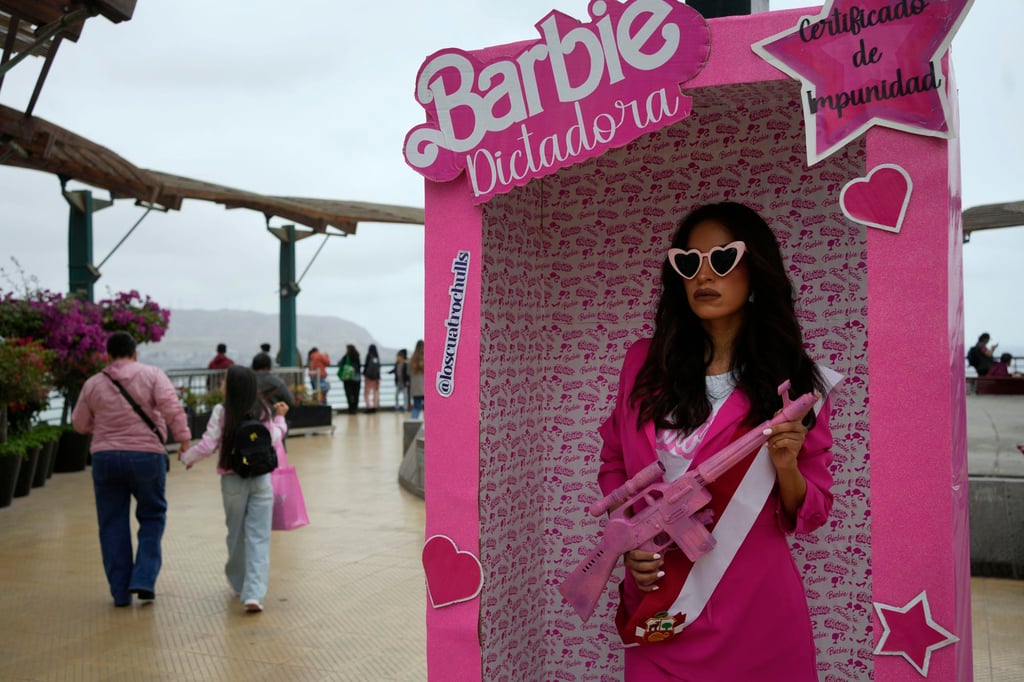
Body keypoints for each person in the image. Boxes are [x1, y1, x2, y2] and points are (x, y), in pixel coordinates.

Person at [596, 202, 841, 679]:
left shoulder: (791, 382)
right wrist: (629, 541)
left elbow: (811, 512)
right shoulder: (642, 364)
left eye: (722, 259)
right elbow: (614, 464)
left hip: (755, 613)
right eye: (689, 262)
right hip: (661, 605)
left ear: (755, 271)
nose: (704, 275)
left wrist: (787, 465)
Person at [71, 331, 192, 608]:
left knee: (112, 524)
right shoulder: (153, 375)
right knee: (152, 515)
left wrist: (102, 427)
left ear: (108, 356)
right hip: (147, 457)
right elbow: (171, 407)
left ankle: (120, 593)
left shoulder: (93, 383)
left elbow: (79, 424)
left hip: (105, 458)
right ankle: (144, 579)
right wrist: (184, 439)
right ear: (135, 354)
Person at [179, 365, 289, 614]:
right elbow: (274, 437)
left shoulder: (222, 411)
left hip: (232, 481)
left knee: (235, 534)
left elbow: (208, 445)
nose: (221, 384)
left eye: (224, 381)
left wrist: (187, 458)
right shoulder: (263, 410)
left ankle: (239, 583)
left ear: (231, 386)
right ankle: (254, 594)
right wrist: (281, 419)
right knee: (260, 537)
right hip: (261, 479)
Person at [338, 344, 361, 414]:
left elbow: (340, 363)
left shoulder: (346, 357)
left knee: (349, 393)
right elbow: (359, 367)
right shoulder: (357, 356)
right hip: (357, 378)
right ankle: (355, 408)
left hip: (348, 378)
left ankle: (351, 409)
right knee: (356, 394)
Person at [390, 348, 411, 413]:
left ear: (401, 357)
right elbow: (394, 370)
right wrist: (389, 372)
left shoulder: (405, 364)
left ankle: (405, 408)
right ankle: (397, 407)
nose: (397, 358)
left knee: (405, 396)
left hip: (404, 383)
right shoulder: (397, 364)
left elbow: (408, 373)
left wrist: (408, 381)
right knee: (396, 395)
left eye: (398, 357)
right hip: (398, 383)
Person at [363, 344, 381, 413]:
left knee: (366, 393)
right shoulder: (377, 357)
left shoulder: (369, 356)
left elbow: (366, 366)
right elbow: (378, 368)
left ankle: (368, 407)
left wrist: (365, 374)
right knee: (375, 392)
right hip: (376, 378)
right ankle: (375, 407)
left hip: (368, 378)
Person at [409, 340, 425, 420]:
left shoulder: (411, 360)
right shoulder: (426, 358)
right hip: (426, 387)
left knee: (416, 407)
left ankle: (413, 424)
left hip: (415, 388)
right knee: (429, 409)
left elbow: (408, 372)